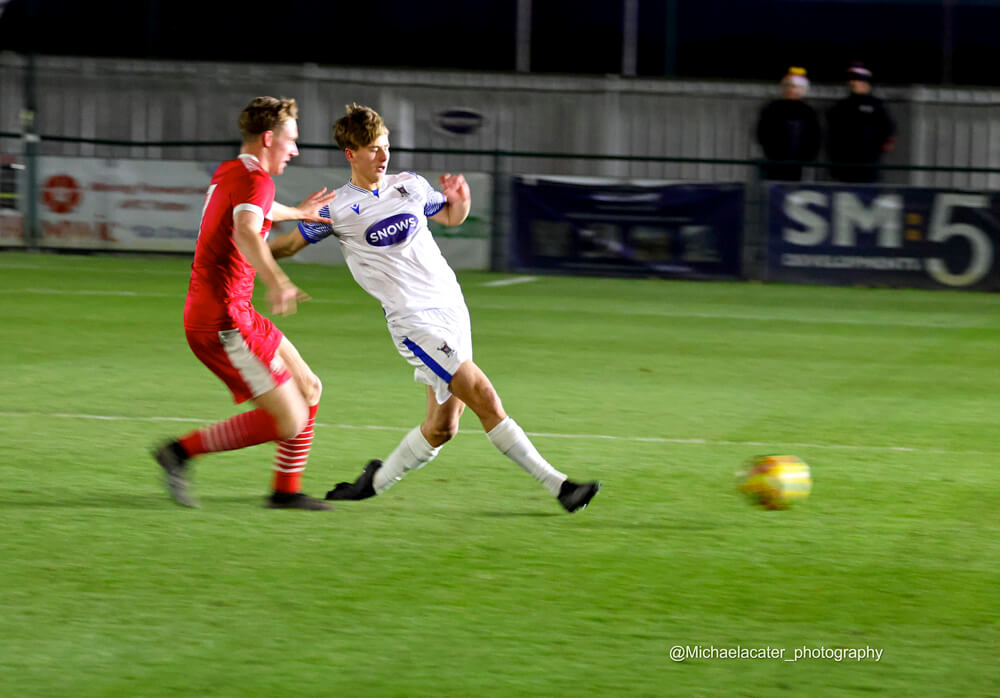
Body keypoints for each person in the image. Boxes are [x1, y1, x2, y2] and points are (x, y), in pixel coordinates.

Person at [268, 103, 601, 513]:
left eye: (386, 146)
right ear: (350, 154)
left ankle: (373, 483)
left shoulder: (409, 184)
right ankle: (560, 486)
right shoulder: (334, 209)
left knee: (443, 428)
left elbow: (451, 216)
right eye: (373, 149)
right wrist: (244, 247)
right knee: (484, 395)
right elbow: (285, 246)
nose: (383, 156)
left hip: (452, 310)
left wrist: (461, 201)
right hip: (414, 323)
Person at [153, 96, 338, 511]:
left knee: (309, 388)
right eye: (290, 141)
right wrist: (278, 280)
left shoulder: (234, 171)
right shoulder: (257, 181)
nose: (295, 151)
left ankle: (285, 492)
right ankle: (179, 452)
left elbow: (255, 209)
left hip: (234, 313)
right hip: (224, 321)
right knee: (287, 419)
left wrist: (297, 211)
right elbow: (247, 230)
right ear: (269, 139)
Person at [826, 62, 896, 183]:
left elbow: (888, 130)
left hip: (869, 165)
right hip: (845, 166)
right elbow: (832, 136)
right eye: (852, 80)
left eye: (858, 80)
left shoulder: (877, 106)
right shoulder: (841, 107)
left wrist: (881, 146)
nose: (853, 83)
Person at [755, 66, 821, 181]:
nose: (792, 90)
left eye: (797, 87)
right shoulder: (772, 108)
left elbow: (815, 136)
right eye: (789, 86)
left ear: (803, 90)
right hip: (774, 162)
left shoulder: (808, 112)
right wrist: (772, 152)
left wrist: (807, 157)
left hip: (798, 165)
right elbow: (763, 132)